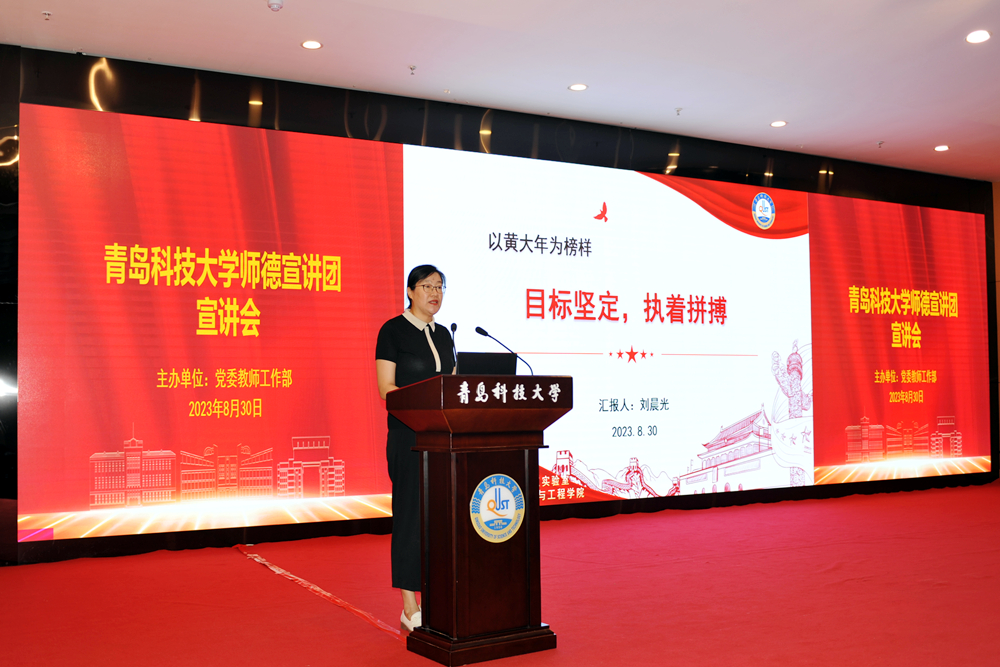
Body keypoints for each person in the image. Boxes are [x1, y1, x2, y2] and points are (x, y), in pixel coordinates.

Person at [375, 265, 455, 632]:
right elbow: (386, 389)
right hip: (408, 438)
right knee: (410, 519)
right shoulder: (393, 331)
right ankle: (410, 607)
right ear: (410, 291)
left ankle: (438, 594)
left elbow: (453, 387)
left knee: (440, 519)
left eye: (440, 287)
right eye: (427, 286)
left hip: (442, 437)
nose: (435, 293)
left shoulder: (444, 335)